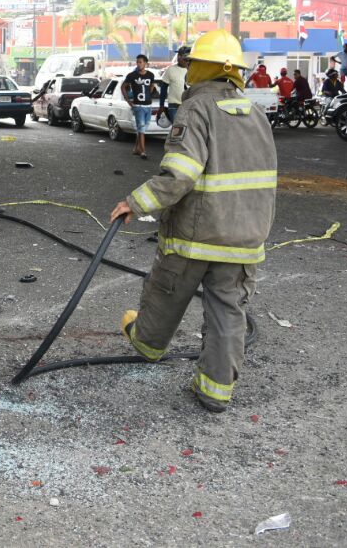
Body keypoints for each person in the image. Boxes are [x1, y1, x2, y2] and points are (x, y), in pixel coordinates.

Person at [111, 29, 276, 413]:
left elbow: (180, 174)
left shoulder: (196, 108)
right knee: (227, 313)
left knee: (166, 293)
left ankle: (147, 344)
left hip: (196, 234)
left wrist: (134, 203)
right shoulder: (256, 114)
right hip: (245, 237)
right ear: (235, 71)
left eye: (191, 63)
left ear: (200, 67)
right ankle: (215, 392)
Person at [121, 54, 156, 159]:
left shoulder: (150, 75)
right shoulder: (132, 75)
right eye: (137, 62)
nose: (138, 64)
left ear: (146, 63)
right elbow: (123, 87)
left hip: (148, 106)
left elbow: (152, 86)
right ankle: (143, 151)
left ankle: (136, 148)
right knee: (141, 128)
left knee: (143, 128)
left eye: (140, 62)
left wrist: (149, 94)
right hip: (138, 106)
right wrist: (128, 101)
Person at [159, 46, 190, 125]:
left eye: (182, 56)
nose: (179, 57)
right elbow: (163, 88)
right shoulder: (170, 70)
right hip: (174, 106)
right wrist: (161, 105)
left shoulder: (193, 70)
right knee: (177, 129)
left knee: (188, 129)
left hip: (189, 106)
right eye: (178, 55)